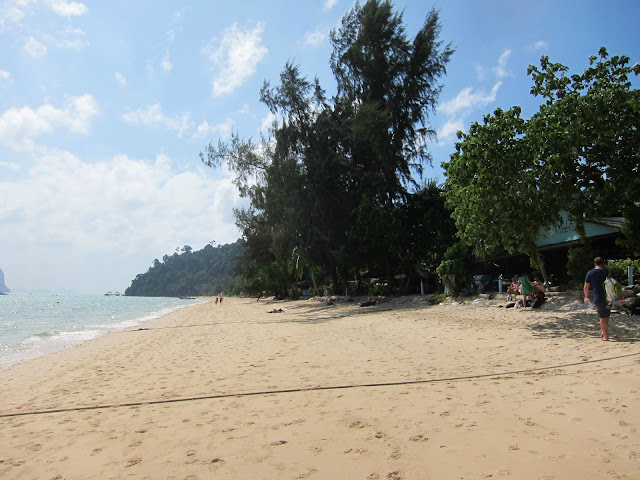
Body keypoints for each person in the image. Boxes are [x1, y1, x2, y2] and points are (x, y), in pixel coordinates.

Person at [584, 257, 610, 341]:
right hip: (609, 296)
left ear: (595, 264)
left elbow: (586, 287)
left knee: (602, 316)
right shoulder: (606, 271)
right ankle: (604, 332)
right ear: (603, 263)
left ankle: (605, 336)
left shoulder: (590, 273)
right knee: (606, 315)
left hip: (598, 297)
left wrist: (586, 296)